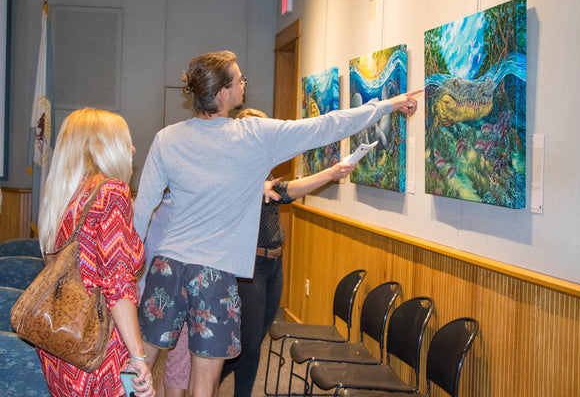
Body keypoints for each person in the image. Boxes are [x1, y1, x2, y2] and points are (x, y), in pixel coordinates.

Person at [133, 50, 421, 397]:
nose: (244, 84)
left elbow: (142, 211)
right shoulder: (254, 136)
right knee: (204, 381)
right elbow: (326, 125)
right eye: (239, 79)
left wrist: (131, 275)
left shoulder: (167, 138)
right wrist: (386, 105)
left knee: (138, 367)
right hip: (213, 275)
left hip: (168, 267)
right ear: (223, 94)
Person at [145, 108, 357, 397]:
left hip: (271, 263)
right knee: (229, 348)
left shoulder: (261, 173)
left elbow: (283, 190)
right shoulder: (235, 174)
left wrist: (332, 172)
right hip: (244, 266)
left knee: (249, 342)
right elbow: (284, 191)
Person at [36, 108, 155, 397]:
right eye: (126, 141)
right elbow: (117, 284)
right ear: (106, 147)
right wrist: (139, 356)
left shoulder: (65, 194)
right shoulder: (111, 193)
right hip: (97, 347)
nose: (133, 148)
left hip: (61, 342)